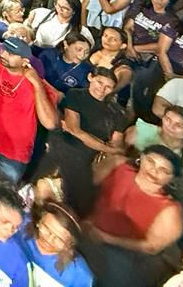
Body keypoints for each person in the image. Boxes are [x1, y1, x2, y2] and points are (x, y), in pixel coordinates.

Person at [84, 146, 183, 285]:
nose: (154, 170)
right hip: (86, 228)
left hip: (121, 254)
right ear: (141, 158)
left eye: (164, 170)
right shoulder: (119, 167)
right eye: (150, 161)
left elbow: (151, 247)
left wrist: (105, 238)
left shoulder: (170, 210)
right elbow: (89, 183)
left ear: (171, 178)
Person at [0, 36, 59, 188]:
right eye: (4, 50)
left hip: (13, 152)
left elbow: (50, 123)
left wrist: (37, 84)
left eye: (11, 54)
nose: (4, 55)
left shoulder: (41, 86)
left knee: (3, 196)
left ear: (25, 61)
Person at [34, 67, 125, 210]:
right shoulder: (75, 95)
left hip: (86, 162)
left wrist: (105, 148)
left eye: (108, 87)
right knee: (39, 193)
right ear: (90, 77)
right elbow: (73, 128)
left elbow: (116, 144)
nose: (102, 89)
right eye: (99, 82)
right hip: (62, 150)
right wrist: (104, 146)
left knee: (74, 206)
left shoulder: (117, 112)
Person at [20, 201, 93, 287]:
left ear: (69, 244)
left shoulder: (79, 275)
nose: (49, 240)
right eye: (47, 229)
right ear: (39, 222)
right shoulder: (20, 229)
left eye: (59, 239)